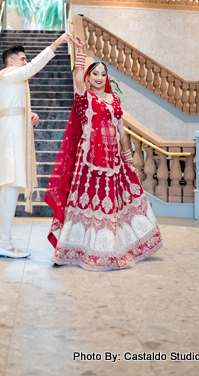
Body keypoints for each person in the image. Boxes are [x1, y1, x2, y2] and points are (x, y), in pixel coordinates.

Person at [45, 36, 163, 271]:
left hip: (113, 161)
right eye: (94, 74)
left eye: (102, 74)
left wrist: (127, 157)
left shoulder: (113, 99)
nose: (99, 78)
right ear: (88, 78)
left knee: (115, 203)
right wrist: (80, 51)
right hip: (89, 161)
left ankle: (111, 248)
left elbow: (120, 130)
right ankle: (75, 249)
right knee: (86, 202)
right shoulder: (84, 97)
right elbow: (77, 76)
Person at [0, 32, 76, 259]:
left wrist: (26, 113)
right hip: (10, 133)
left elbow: (7, 106)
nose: (24, 62)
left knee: (3, 186)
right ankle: (4, 243)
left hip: (8, 127)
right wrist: (55, 44)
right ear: (12, 62)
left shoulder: (2, 81)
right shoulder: (10, 73)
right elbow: (33, 67)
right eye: (22, 58)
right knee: (10, 183)